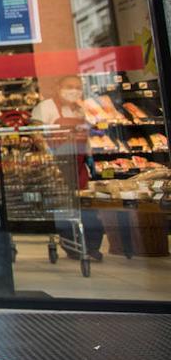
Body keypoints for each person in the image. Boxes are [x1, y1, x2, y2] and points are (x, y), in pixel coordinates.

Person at [31, 75, 103, 260]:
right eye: (69, 86)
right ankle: (72, 245)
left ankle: (92, 245)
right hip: (58, 164)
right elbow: (36, 133)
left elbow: (88, 135)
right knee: (64, 207)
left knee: (86, 206)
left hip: (79, 163)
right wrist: (49, 155)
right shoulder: (45, 108)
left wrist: (89, 157)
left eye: (78, 87)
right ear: (58, 87)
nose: (74, 91)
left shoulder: (81, 110)